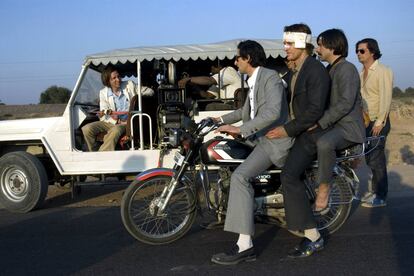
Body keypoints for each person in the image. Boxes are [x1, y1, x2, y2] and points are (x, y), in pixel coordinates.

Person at [210, 40, 293, 265]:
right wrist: (219, 120)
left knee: (241, 176)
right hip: (259, 138)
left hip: (272, 141)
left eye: (238, 57)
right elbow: (244, 111)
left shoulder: (270, 78)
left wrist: (240, 129)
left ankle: (245, 245)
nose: (235, 61)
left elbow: (273, 112)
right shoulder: (253, 80)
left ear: (248, 58)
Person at [265, 23, 330, 258]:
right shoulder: (296, 69)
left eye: (290, 43)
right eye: (285, 42)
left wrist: (286, 130)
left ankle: (314, 237)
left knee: (289, 175)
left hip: (311, 134)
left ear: (303, 43)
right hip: (299, 130)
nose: (285, 47)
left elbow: (314, 111)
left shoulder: (315, 70)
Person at [312, 29, 366, 211]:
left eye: (320, 45)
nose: (317, 49)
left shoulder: (347, 69)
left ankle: (324, 188)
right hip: (334, 125)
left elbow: (345, 103)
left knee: (324, 143)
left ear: (332, 46)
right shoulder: (330, 69)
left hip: (348, 127)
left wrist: (320, 122)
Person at [356, 38, 393, 208]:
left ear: (372, 52)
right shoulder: (360, 72)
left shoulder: (383, 71)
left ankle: (381, 196)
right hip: (365, 121)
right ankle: (375, 191)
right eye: (357, 51)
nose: (358, 54)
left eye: (362, 51)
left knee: (377, 159)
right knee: (370, 158)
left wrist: (380, 122)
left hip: (378, 121)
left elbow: (386, 97)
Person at [82, 66, 153, 151]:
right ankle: (93, 152)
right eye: (114, 78)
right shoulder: (103, 93)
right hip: (111, 122)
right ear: (108, 81)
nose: (118, 79)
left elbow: (150, 92)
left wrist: (138, 98)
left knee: (115, 130)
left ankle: (102, 155)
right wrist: (117, 121)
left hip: (128, 123)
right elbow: (104, 114)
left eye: (118, 76)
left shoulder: (129, 85)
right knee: (86, 129)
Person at [178, 64, 246, 100]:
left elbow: (209, 80)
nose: (211, 71)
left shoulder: (227, 71)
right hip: (233, 104)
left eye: (212, 68)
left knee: (210, 107)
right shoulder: (220, 80)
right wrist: (193, 85)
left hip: (238, 104)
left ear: (218, 66)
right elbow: (207, 95)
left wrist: (188, 79)